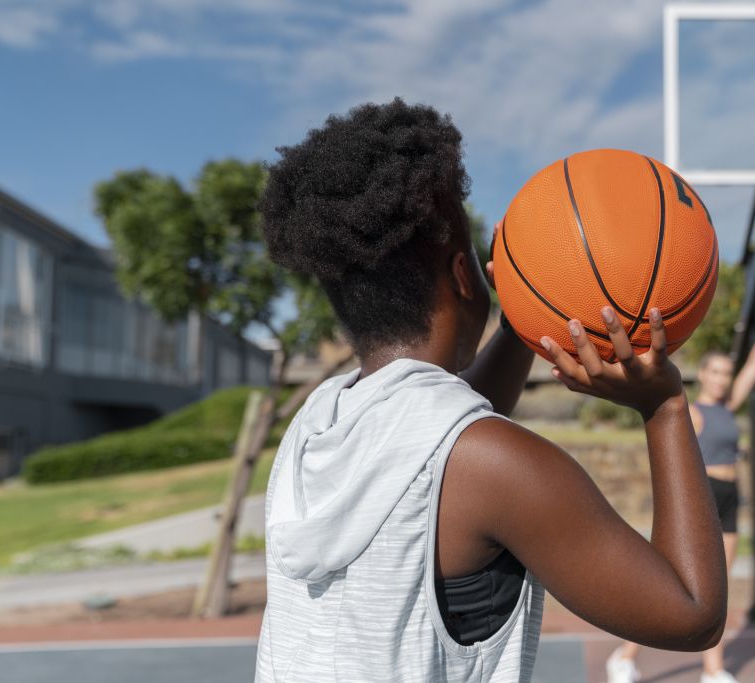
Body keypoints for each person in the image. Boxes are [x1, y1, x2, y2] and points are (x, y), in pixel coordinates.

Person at [254, 98, 727, 682]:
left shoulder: (316, 424)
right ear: (461, 275)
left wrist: (526, 320)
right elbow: (691, 615)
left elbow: (439, 419)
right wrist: (665, 407)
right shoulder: (495, 465)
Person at [607, 281, 755, 683]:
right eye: (717, 372)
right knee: (678, 586)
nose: (723, 379)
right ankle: (625, 655)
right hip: (702, 496)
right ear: (703, 374)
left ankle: (713, 670)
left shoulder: (730, 404)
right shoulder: (695, 409)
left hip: (731, 497)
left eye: (727, 373)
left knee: (716, 593)